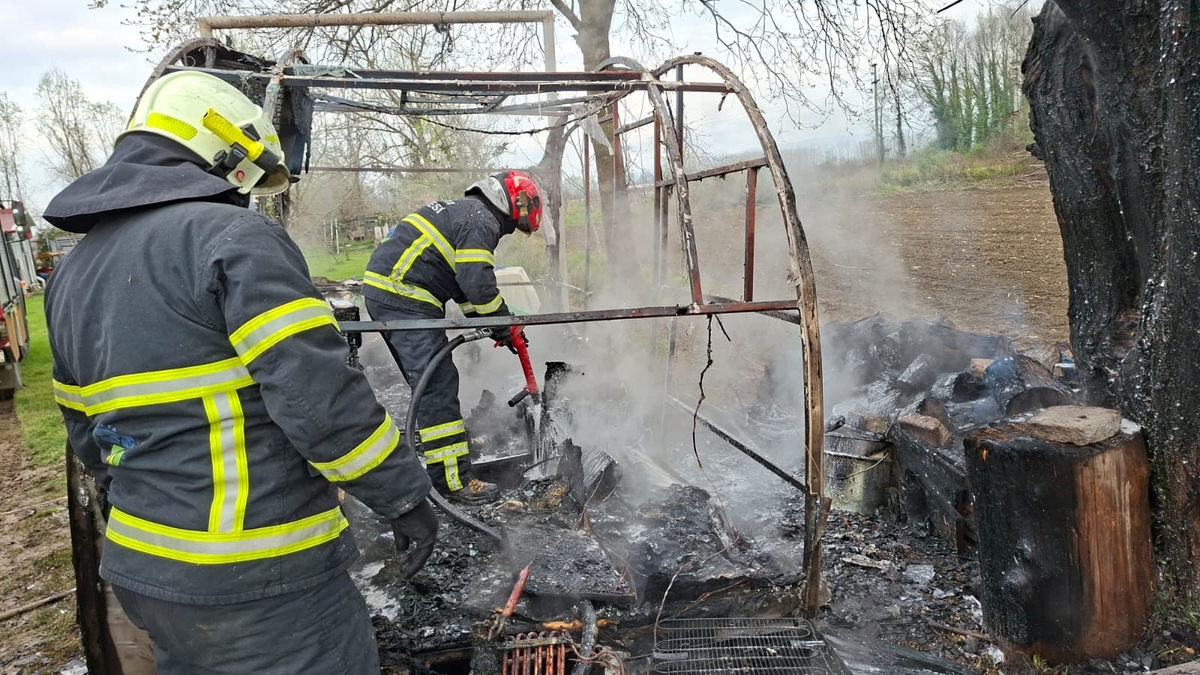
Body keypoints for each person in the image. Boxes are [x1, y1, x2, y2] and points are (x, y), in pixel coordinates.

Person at [42, 70, 438, 674]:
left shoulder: (71, 276)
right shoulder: (234, 239)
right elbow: (321, 401)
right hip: (261, 583)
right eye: (246, 176)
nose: (245, 194)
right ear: (220, 147)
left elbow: (88, 437)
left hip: (145, 571)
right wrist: (403, 497)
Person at [363, 170, 542, 505]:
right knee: (437, 385)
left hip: (393, 292)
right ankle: (452, 481)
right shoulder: (482, 219)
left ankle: (443, 468)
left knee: (433, 383)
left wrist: (497, 326)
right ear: (514, 202)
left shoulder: (467, 213)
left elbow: (463, 287)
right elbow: (477, 281)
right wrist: (502, 320)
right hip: (404, 293)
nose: (512, 231)